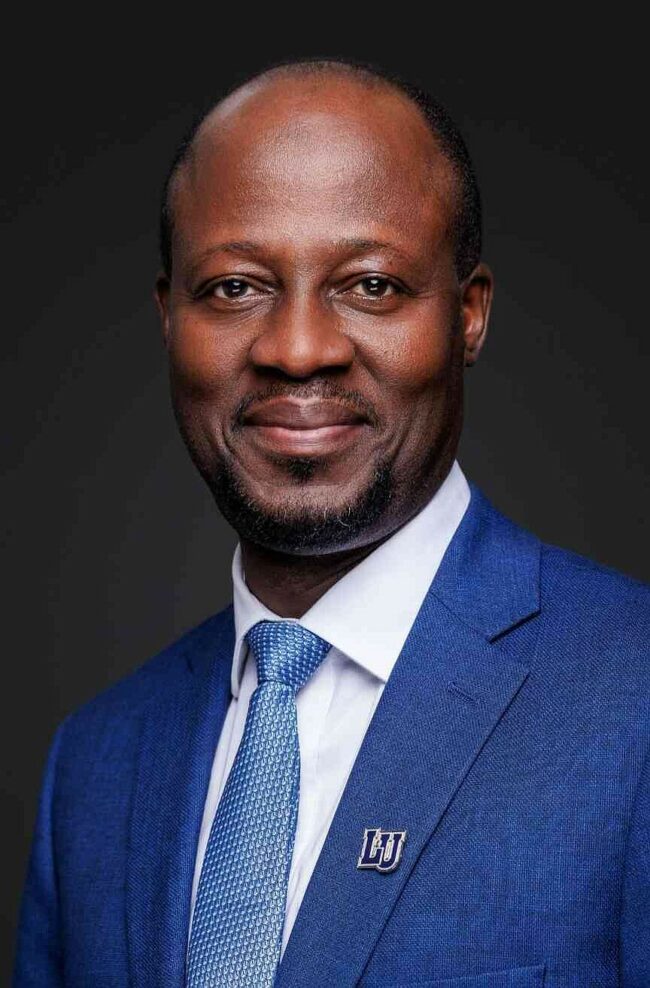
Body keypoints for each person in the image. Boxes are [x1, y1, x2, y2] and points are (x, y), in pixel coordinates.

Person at [13, 57, 649, 988]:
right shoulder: (95, 764)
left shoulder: (634, 696)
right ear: (168, 317)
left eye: (372, 285)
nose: (298, 349)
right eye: (235, 288)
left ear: (469, 316)